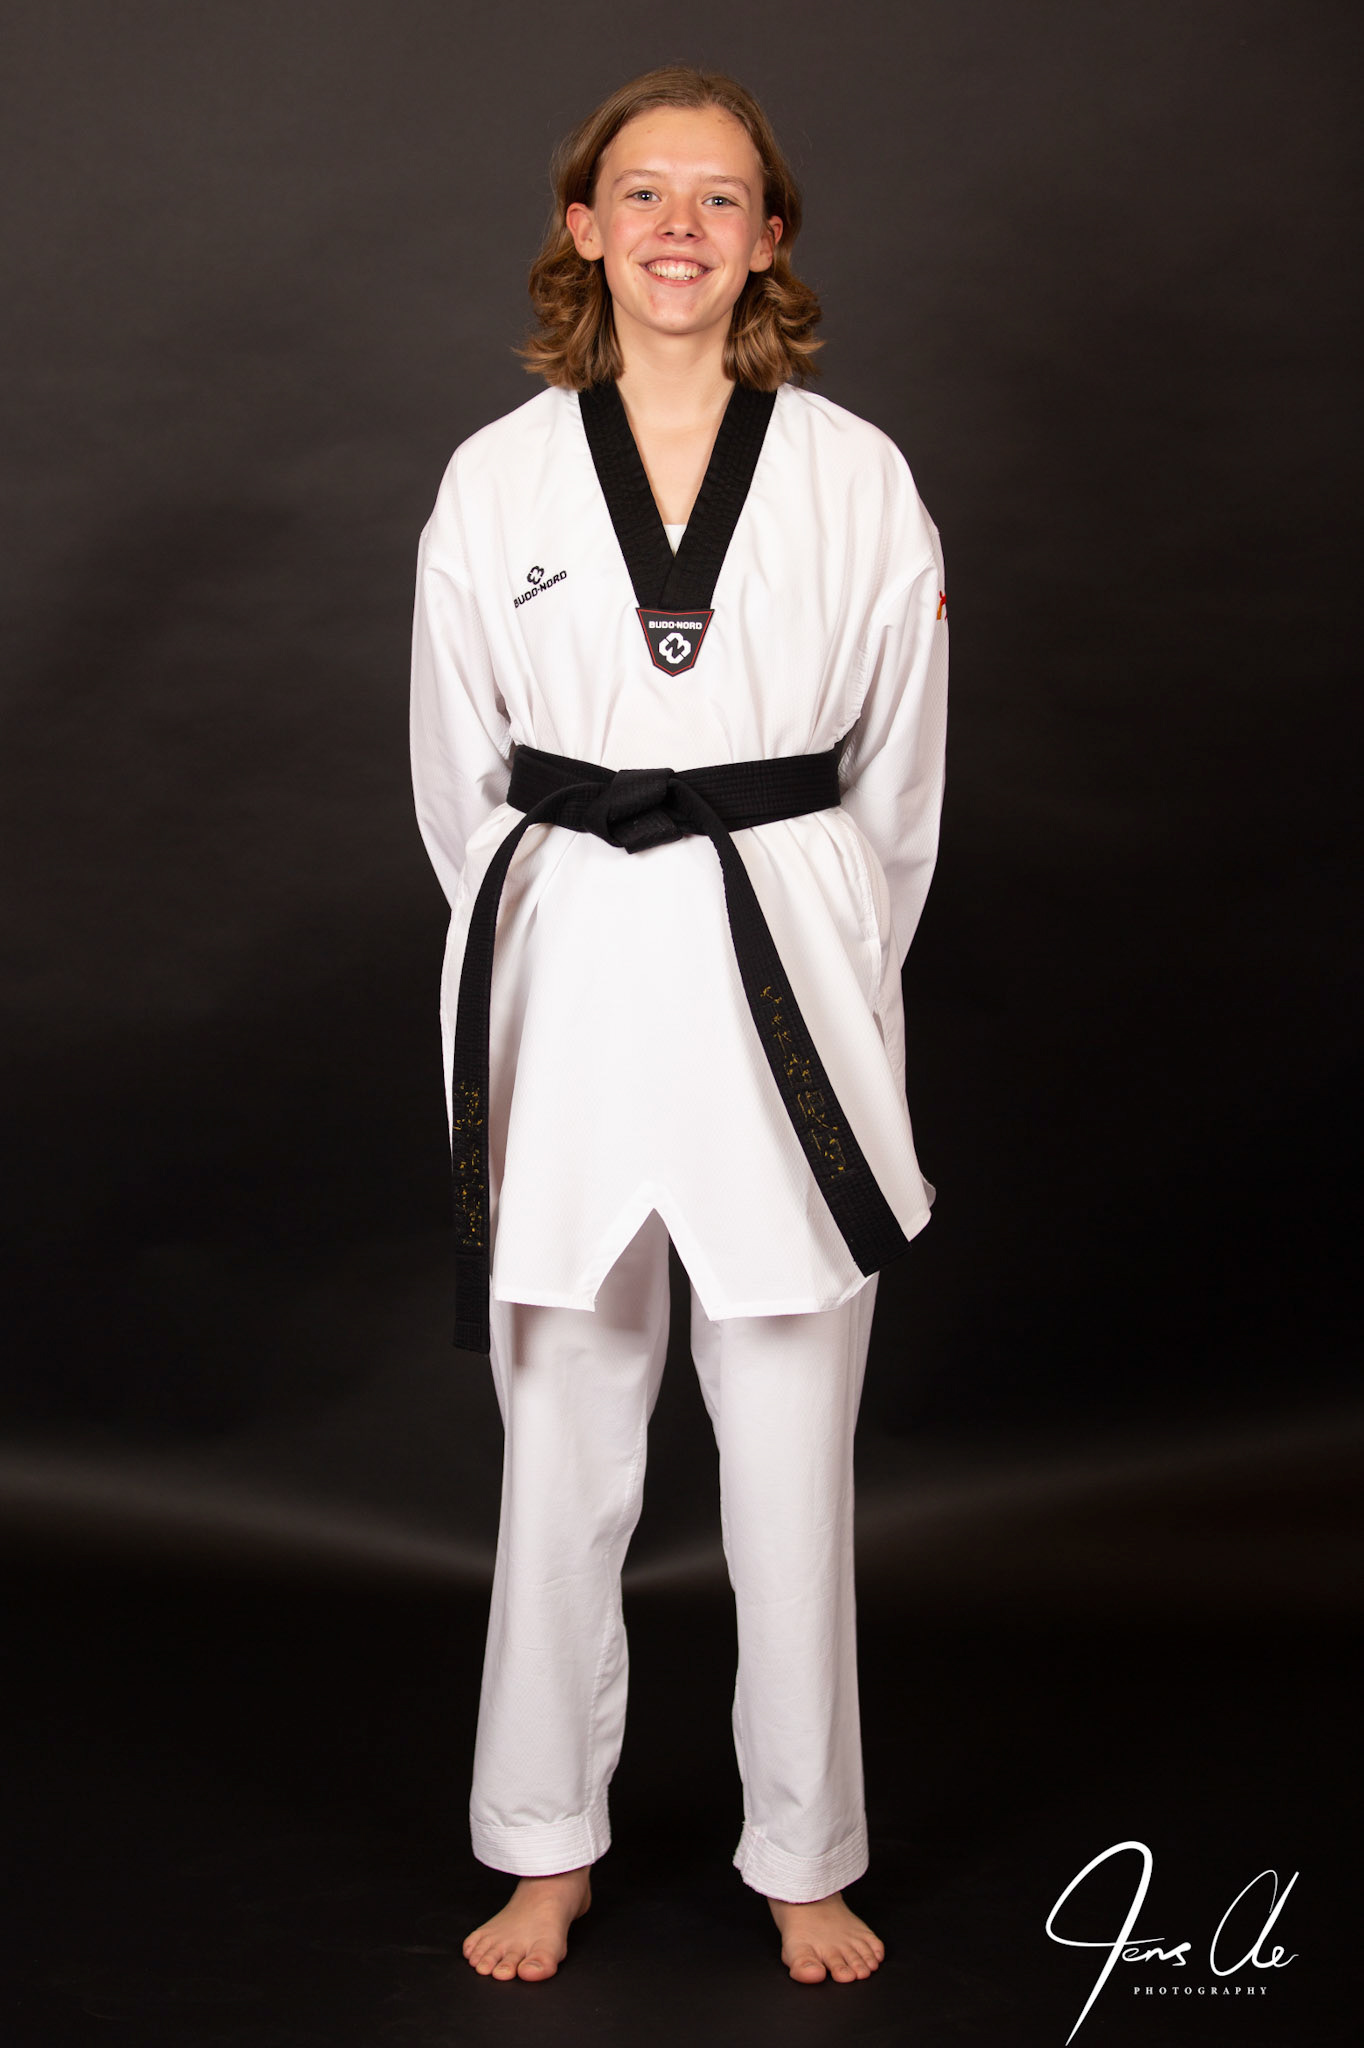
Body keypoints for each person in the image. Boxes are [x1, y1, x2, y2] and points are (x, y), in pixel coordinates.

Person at [409, 64, 948, 1987]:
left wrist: (829, 959)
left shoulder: (857, 474)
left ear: (769, 241)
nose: (678, 228)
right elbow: (458, 781)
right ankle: (544, 1845)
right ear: (584, 227)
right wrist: (553, 936)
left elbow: (897, 792)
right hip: (570, 980)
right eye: (643, 193)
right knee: (561, 1439)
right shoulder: (496, 475)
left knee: (792, 1451)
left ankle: (804, 1852)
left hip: (782, 987)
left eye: (720, 199)